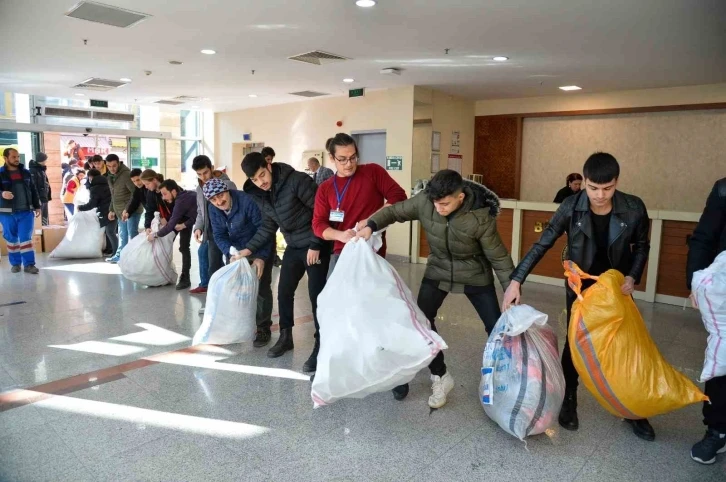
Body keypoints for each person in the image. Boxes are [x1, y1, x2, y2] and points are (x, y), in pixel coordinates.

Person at [501, 152, 653, 441]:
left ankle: (633, 409)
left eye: (607, 188)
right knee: (575, 342)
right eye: (593, 188)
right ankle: (569, 398)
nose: (599, 195)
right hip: (580, 287)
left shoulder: (633, 207)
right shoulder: (571, 206)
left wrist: (633, 276)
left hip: (615, 288)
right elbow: (542, 243)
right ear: (584, 182)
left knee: (622, 346)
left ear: (616, 183)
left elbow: (642, 245)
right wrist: (516, 280)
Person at [357, 170, 515, 407]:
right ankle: (440, 375)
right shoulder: (426, 202)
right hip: (438, 269)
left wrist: (511, 287)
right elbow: (394, 211)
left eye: (444, 204)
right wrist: (371, 225)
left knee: (495, 326)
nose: (438, 208)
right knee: (422, 322)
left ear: (460, 197)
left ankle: (507, 378)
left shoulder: (480, 217)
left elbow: (499, 257)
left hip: (475, 274)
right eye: (435, 203)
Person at [241, 152, 330, 368]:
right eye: (255, 179)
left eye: (262, 175)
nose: (260, 182)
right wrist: (248, 249)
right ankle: (285, 337)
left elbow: (321, 211)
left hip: (315, 243)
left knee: (316, 295)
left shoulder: (296, 180)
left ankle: (321, 345)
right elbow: (268, 226)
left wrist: (316, 244)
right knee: (283, 291)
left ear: (268, 165)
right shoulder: (261, 194)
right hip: (294, 245)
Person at [312, 133, 408, 274]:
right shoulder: (325, 188)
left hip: (371, 253)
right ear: (332, 158)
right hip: (341, 253)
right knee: (335, 295)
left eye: (353, 157)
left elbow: (399, 196)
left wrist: (370, 220)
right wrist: (340, 235)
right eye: (343, 160)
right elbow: (318, 224)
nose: (349, 164)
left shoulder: (373, 172)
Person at [686, 176, 726, 464]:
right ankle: (717, 430)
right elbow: (704, 237)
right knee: (721, 360)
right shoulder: (724, 189)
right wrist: (695, 283)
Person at [205, 178, 273, 341]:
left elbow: (264, 230)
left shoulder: (246, 200)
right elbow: (219, 235)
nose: (219, 201)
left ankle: (263, 328)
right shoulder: (213, 208)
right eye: (213, 199)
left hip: (259, 245)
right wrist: (230, 254)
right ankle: (240, 327)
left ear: (227, 191)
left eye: (221, 196)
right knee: (238, 289)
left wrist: (261, 257)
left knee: (261, 288)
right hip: (237, 251)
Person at [191, 155, 237, 295]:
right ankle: (216, 297)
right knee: (214, 266)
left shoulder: (227, 185)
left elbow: (236, 207)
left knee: (232, 261)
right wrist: (198, 227)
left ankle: (231, 295)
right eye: (199, 174)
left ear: (211, 168)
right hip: (211, 232)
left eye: (205, 172)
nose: (203, 177)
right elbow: (200, 211)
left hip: (229, 230)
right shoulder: (199, 189)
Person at [146, 179, 196, 290]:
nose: (163, 197)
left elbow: (171, 225)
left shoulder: (181, 200)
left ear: (173, 191)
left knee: (184, 247)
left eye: (164, 194)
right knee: (173, 245)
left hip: (190, 221)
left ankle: (185, 277)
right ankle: (161, 272)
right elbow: (195, 214)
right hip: (185, 220)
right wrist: (184, 224)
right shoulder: (182, 196)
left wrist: (154, 235)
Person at [0, 148, 41, 274]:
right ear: (5, 158)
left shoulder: (26, 173)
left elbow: (33, 189)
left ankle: (29, 265)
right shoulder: (0, 173)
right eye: (13, 157)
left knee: (26, 239)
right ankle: (16, 263)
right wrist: (2, 194)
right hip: (7, 212)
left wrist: (37, 205)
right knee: (11, 239)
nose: (17, 159)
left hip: (26, 212)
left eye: (18, 156)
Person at [106, 155, 142, 263]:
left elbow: (135, 194)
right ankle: (121, 256)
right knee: (122, 234)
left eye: (114, 166)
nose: (112, 168)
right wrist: (111, 209)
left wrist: (127, 210)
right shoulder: (110, 176)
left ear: (119, 163)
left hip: (132, 210)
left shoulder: (126, 175)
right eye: (109, 166)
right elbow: (113, 195)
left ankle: (135, 256)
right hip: (119, 210)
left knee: (132, 233)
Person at [77, 168, 115, 256]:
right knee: (110, 231)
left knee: (109, 232)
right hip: (112, 209)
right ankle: (111, 249)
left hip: (104, 211)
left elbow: (92, 204)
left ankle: (113, 251)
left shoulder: (95, 188)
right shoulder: (107, 183)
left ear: (91, 177)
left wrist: (81, 207)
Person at [29, 153, 51, 226]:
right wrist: (36, 199)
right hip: (39, 198)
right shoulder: (33, 170)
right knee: (39, 218)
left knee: (44, 216)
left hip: (44, 197)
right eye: (45, 159)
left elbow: (45, 183)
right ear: (42, 160)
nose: (46, 161)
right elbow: (33, 186)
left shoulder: (42, 170)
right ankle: (39, 231)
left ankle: (45, 229)